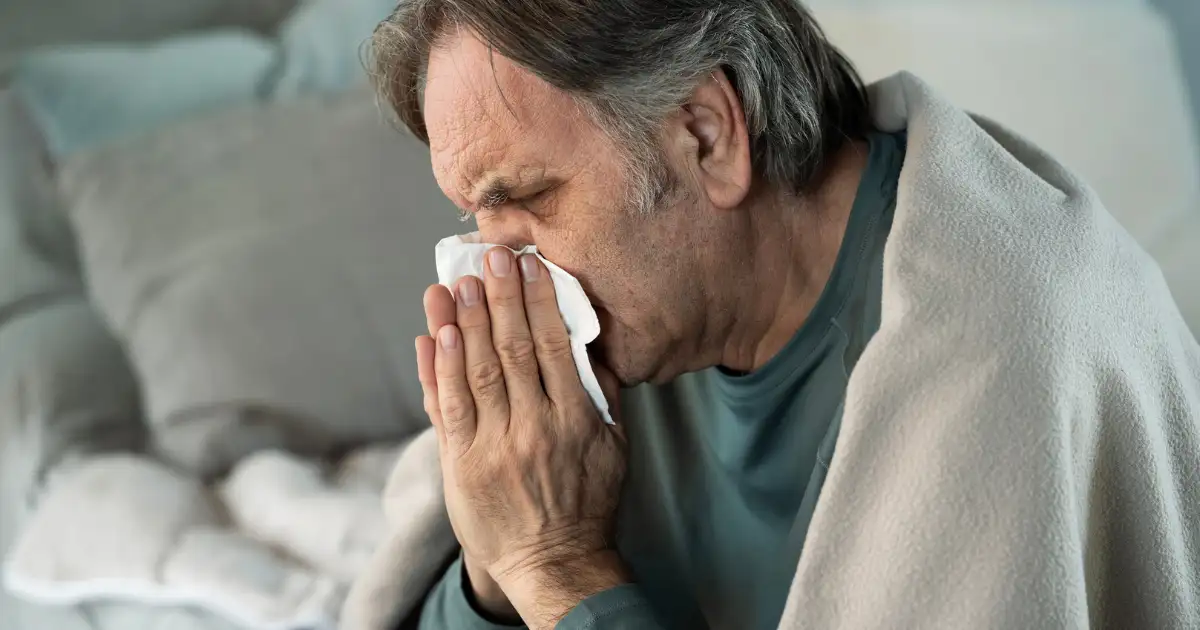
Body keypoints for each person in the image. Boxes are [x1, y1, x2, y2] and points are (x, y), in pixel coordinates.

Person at [345, 1, 1200, 629]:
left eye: (529, 198)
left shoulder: (1002, 351)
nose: (496, 266)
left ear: (706, 136)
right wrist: (497, 556)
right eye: (476, 216)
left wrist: (554, 567)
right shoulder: (624, 333)